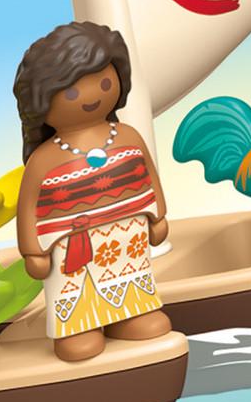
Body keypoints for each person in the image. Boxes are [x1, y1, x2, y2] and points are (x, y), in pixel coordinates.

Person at [12, 21, 172, 363]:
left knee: (131, 279)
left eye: (104, 82)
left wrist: (158, 217)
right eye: (71, 93)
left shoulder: (128, 137)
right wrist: (33, 251)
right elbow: (27, 207)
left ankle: (131, 314)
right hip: (73, 247)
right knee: (77, 290)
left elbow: (149, 174)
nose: (92, 96)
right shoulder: (44, 160)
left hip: (128, 239)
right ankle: (78, 327)